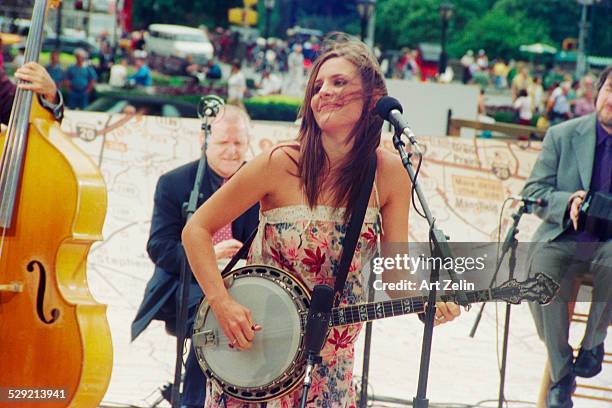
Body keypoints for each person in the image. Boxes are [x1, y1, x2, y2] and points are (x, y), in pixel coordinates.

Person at [182, 35, 460, 407]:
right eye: (317, 86)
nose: (324, 92)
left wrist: (430, 300)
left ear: (374, 99)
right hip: (261, 358)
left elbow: (396, 277)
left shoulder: (389, 173)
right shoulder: (279, 162)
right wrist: (222, 304)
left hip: (332, 367)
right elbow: (195, 230)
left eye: (339, 82)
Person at [131, 106, 259, 408]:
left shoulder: (259, 182)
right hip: (182, 284)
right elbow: (159, 246)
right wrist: (206, 257)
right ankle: (192, 402)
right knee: (215, 313)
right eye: (223, 143)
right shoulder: (175, 183)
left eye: (238, 143)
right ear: (206, 142)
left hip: (241, 283)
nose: (231, 151)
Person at [521, 65, 612, 408]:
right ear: (598, 91)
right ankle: (562, 373)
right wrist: (567, 200)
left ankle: (593, 342)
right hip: (564, 235)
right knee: (539, 266)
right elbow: (532, 193)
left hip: (608, 245)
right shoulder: (562, 134)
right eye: (610, 89)